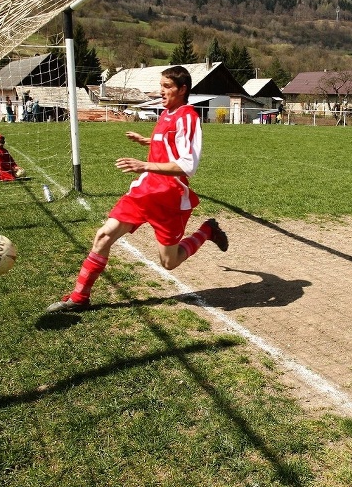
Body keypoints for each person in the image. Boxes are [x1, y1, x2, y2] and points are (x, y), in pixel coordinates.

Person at [47, 66, 229, 313]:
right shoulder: (167, 113)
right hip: (145, 190)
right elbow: (168, 142)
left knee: (169, 261)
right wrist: (148, 140)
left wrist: (144, 164)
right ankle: (79, 297)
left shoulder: (188, 117)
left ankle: (207, 231)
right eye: (161, 85)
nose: (161, 91)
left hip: (169, 197)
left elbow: (188, 165)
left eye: (167, 87)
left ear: (182, 89)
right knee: (103, 235)